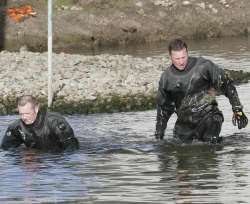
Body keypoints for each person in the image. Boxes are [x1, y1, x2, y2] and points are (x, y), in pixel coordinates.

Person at [155, 38, 248, 143]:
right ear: (170, 57)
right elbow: (163, 109)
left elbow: (227, 84)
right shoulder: (166, 78)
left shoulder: (204, 66)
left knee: (209, 146)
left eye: (183, 57)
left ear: (187, 53)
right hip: (184, 125)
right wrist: (159, 136)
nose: (181, 62)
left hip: (209, 117)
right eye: (177, 59)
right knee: (180, 149)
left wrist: (237, 110)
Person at [1, 95, 79, 151]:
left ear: (36, 109)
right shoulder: (16, 127)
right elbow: (6, 149)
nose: (24, 117)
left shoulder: (55, 122)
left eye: (27, 113)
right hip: (34, 158)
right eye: (21, 114)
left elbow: (71, 148)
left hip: (56, 158)